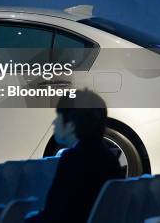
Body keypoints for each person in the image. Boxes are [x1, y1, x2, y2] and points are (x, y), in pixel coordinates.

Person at [26, 90, 123, 223]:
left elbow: (54, 216)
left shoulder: (72, 160)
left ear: (71, 125)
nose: (54, 122)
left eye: (58, 117)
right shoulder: (111, 160)